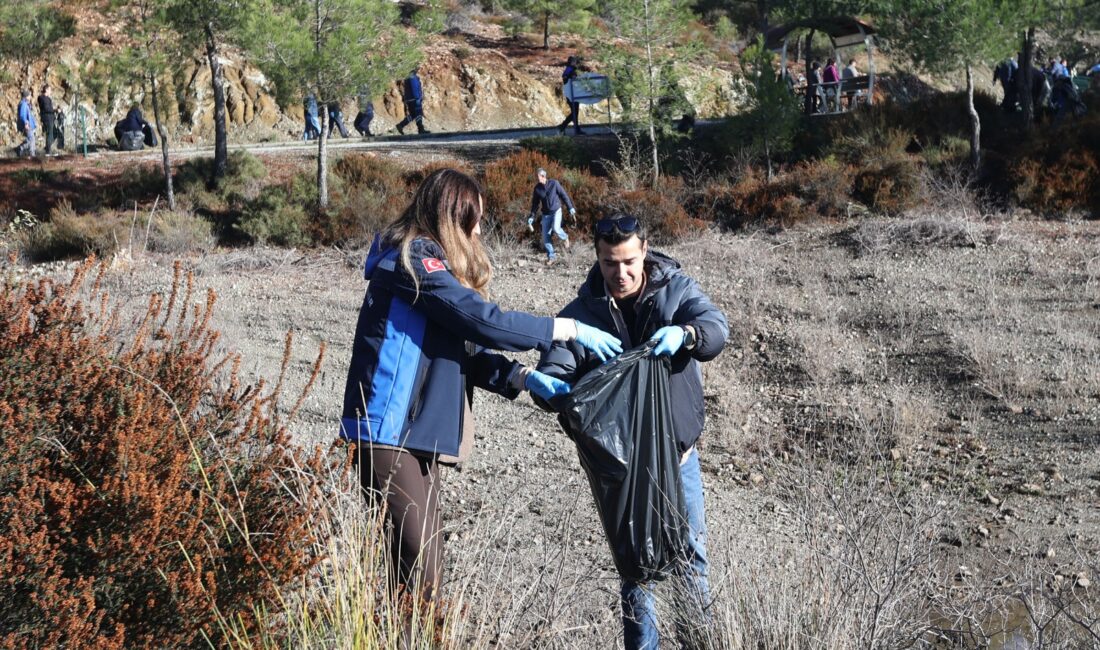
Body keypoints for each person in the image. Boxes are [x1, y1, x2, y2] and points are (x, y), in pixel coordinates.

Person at [340, 168, 622, 610]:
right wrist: (563, 328)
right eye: (473, 221)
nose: (477, 231)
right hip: (385, 435)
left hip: (414, 438)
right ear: (453, 217)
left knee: (420, 568)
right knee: (418, 566)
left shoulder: (428, 268)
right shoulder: (411, 262)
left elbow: (464, 349)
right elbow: (482, 321)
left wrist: (524, 378)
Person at [535, 213, 729, 650]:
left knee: (690, 560)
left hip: (678, 458)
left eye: (627, 261)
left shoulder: (675, 291)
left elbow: (716, 328)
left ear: (644, 251)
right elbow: (556, 365)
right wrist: (554, 388)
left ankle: (700, 643)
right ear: (597, 258)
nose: (619, 274)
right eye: (608, 263)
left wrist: (687, 334)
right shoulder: (582, 313)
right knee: (635, 569)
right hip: (622, 469)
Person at [525, 168, 575, 265]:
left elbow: (564, 195)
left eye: (538, 176)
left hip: (556, 211)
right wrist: (531, 216)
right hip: (546, 214)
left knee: (556, 228)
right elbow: (535, 204)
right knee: (545, 236)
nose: (536, 178)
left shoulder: (554, 183)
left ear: (543, 176)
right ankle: (551, 257)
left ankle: (565, 237)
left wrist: (570, 208)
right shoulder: (537, 189)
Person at [395, 68, 428, 135]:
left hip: (409, 99)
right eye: (416, 69)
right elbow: (414, 88)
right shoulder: (412, 77)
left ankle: (400, 125)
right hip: (414, 99)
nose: (417, 70)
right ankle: (421, 129)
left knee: (413, 115)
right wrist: (417, 98)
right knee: (418, 113)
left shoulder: (408, 77)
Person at [558, 55, 584, 136]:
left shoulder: (570, 69)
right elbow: (567, 78)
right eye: (574, 61)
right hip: (571, 94)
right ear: (572, 62)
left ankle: (573, 128)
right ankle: (564, 126)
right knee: (575, 112)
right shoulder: (570, 69)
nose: (575, 63)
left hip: (573, 93)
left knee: (575, 112)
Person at [16, 89, 37, 158]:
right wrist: (26, 123)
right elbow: (22, 115)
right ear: (26, 96)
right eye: (29, 95)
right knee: (31, 140)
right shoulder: (23, 104)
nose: (30, 96)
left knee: (30, 140)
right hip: (27, 125)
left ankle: (21, 148)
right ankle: (32, 156)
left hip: (29, 125)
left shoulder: (26, 104)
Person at [37, 85, 57, 155]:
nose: (51, 91)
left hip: (50, 118)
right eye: (50, 90)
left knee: (53, 134)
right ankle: (48, 152)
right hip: (47, 119)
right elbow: (46, 108)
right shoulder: (42, 98)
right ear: (46, 90)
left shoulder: (48, 99)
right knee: (49, 134)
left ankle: (47, 148)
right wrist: (55, 110)